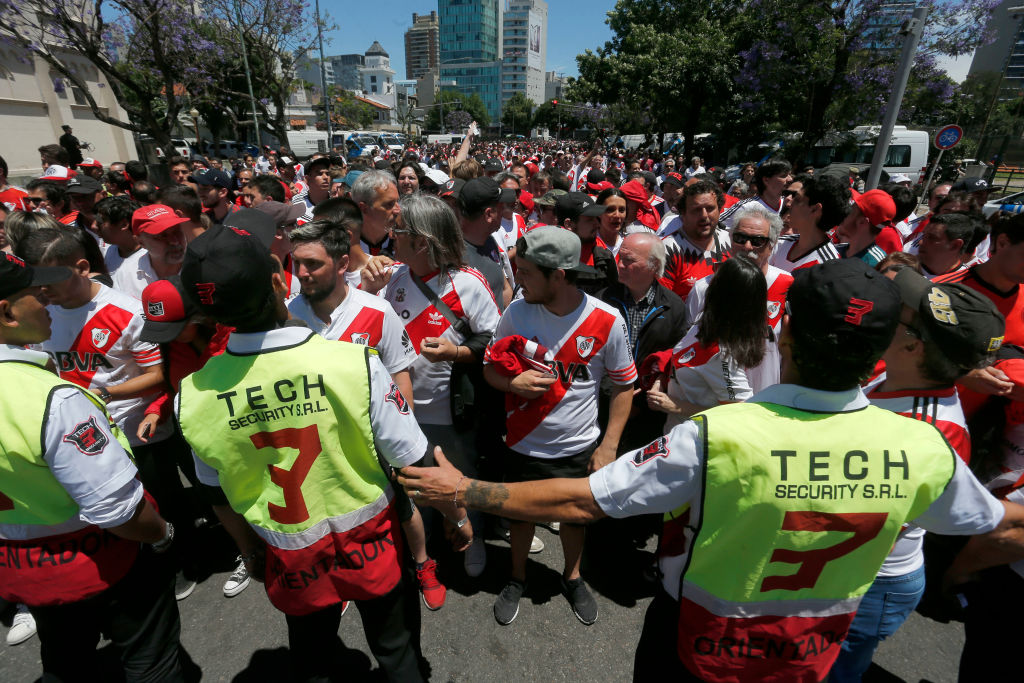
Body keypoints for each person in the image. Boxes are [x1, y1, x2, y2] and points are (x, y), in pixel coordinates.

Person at [400, 257, 1024, 683]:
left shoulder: (717, 434)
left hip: (702, 640)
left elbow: (584, 503)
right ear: (881, 351)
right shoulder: (924, 447)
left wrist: (468, 489)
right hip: (810, 648)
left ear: (785, 338)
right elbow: (996, 520)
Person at [176, 220, 468, 682]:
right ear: (278, 281)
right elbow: (411, 461)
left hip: (289, 555)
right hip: (373, 543)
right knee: (397, 653)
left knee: (311, 659)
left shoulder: (192, 394)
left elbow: (216, 495)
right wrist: (456, 515)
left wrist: (250, 554)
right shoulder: (354, 363)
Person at [0, 252, 184, 680]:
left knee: (66, 661)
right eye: (33, 296)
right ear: (7, 312)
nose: (45, 302)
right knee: (150, 661)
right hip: (100, 556)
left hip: (26, 570)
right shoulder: (53, 399)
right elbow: (119, 512)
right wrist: (163, 534)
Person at [830, 268, 1006, 683]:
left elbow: (864, 523)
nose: (888, 308)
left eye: (900, 310)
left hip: (863, 583)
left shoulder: (931, 434)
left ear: (913, 345)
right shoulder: (895, 372)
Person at [483, 226, 637, 626]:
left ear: (560, 275)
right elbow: (490, 369)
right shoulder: (516, 311)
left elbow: (624, 386)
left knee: (574, 519)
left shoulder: (607, 320)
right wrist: (511, 382)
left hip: (578, 447)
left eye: (528, 273)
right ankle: (516, 577)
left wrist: (609, 447)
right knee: (519, 517)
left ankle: (572, 576)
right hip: (522, 444)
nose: (520, 281)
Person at [598, 231, 686, 451]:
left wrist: (647, 392)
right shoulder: (602, 301)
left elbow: (675, 357)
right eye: (620, 258)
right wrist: (618, 393)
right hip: (602, 407)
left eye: (628, 260)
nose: (619, 264)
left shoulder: (674, 307)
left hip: (649, 415)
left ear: (653, 265)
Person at [659, 180, 731, 302]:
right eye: (696, 210)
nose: (704, 215)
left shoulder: (734, 241)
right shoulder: (667, 250)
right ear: (683, 213)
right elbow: (662, 306)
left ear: (720, 210)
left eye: (710, 208)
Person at [770, 174, 847, 272]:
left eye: (797, 199)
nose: (789, 204)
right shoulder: (779, 243)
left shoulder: (827, 266)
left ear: (815, 210)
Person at [112, 204, 188, 299]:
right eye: (161, 236)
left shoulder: (204, 264)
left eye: (177, 232)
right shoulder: (125, 275)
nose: (174, 241)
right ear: (141, 242)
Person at [720, 159, 792, 228]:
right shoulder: (746, 206)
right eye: (783, 176)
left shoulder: (790, 205)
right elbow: (717, 226)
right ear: (766, 180)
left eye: (790, 175)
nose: (790, 179)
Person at [836, 189, 896, 267]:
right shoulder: (835, 250)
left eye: (851, 210)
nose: (845, 213)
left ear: (862, 222)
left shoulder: (879, 267)